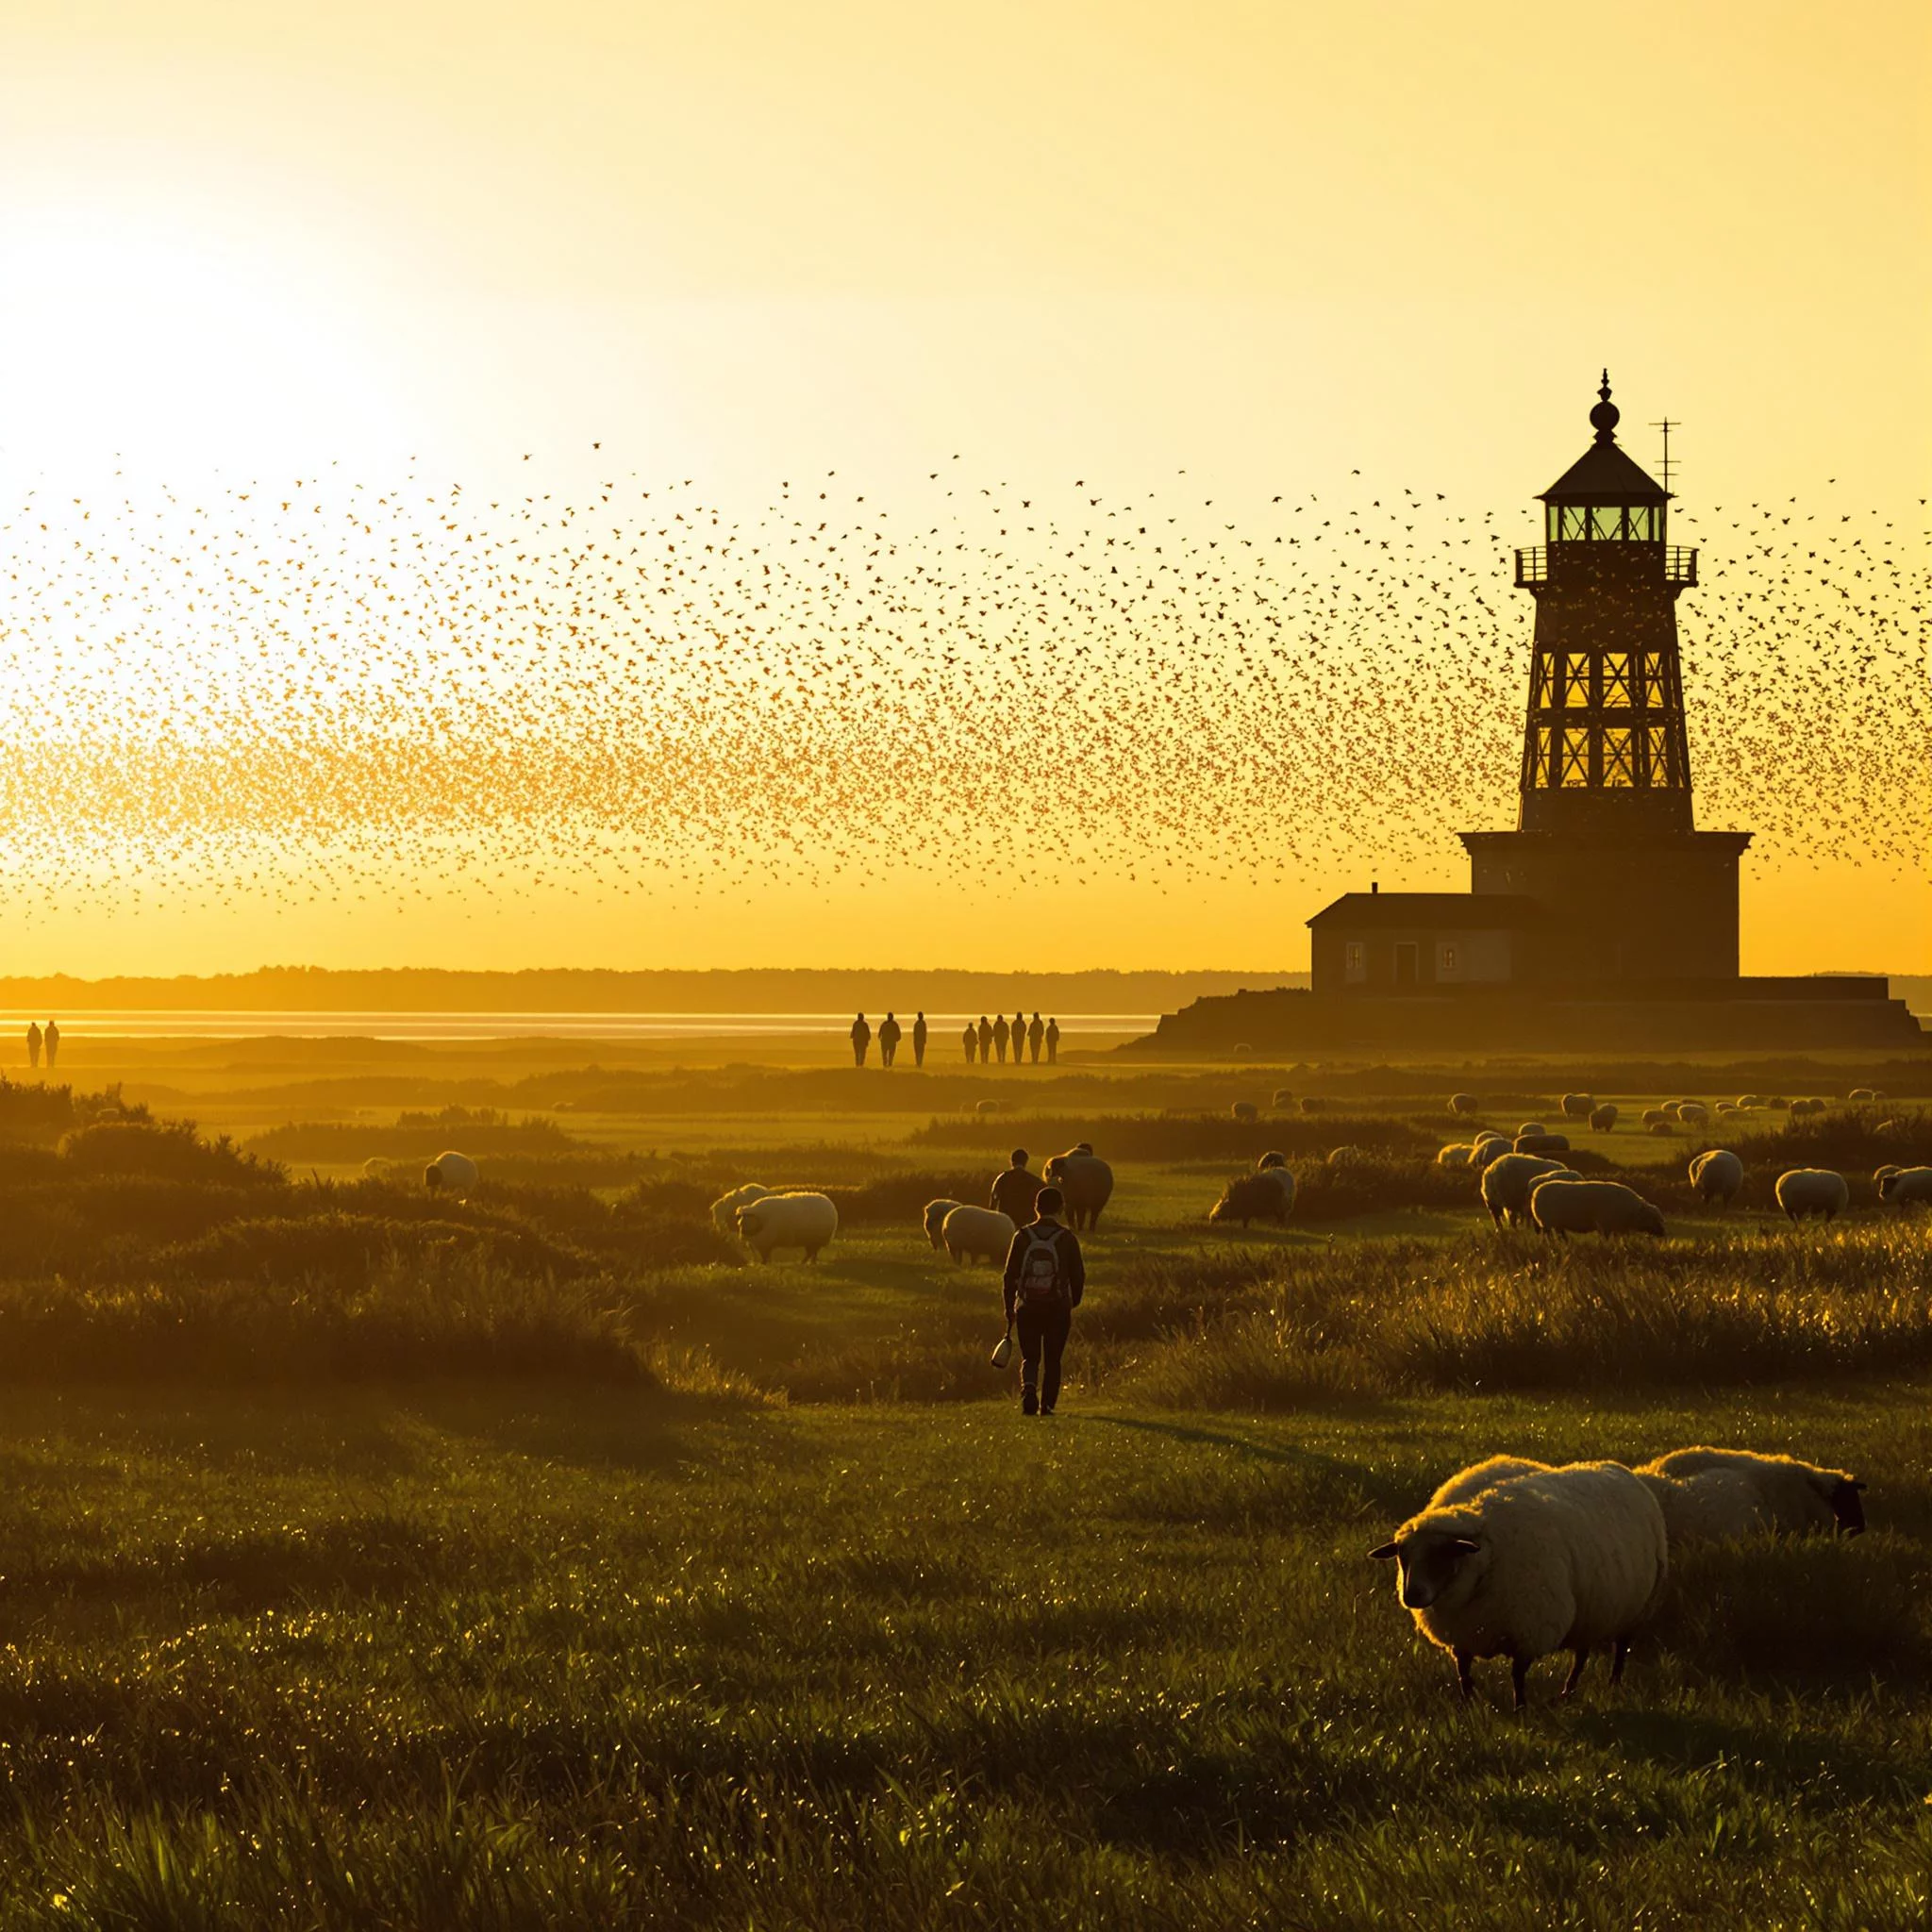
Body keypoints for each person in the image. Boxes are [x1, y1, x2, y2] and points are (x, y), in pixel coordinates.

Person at [1001, 1186, 1084, 1417]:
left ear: (1035, 1207)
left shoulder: (1022, 1236)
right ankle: (1047, 1405)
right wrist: (1072, 1301)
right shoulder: (1067, 1238)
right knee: (1053, 1358)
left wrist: (1009, 1307)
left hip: (1027, 1305)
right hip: (1058, 1306)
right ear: (1061, 1208)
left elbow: (1010, 1275)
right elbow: (1078, 1275)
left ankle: (1028, 1389)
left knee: (1030, 1356)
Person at [990, 1148, 1043, 1224]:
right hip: (1027, 1222)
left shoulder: (1002, 1178)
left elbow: (994, 1199)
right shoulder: (1035, 1181)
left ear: (1011, 1161)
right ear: (1026, 1162)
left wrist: (993, 1220)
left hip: (1007, 1222)